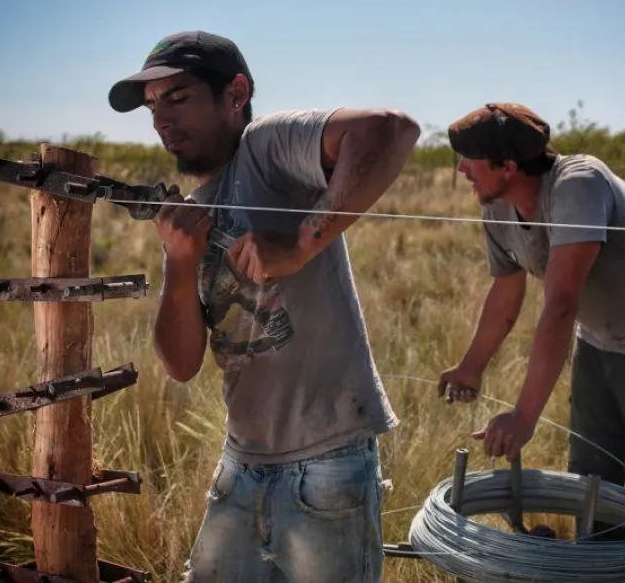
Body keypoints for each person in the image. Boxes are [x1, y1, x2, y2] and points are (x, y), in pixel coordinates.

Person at [108, 30, 421, 582]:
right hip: (242, 461)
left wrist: (302, 244)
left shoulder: (266, 147)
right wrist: (179, 263)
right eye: (152, 106)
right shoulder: (191, 213)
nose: (161, 119)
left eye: (177, 97)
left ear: (235, 93)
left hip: (328, 459)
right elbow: (180, 365)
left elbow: (390, 128)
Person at [436, 103, 625, 581]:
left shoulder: (578, 184)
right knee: (593, 483)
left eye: (470, 158)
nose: (461, 168)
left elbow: (561, 304)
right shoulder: (496, 206)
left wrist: (524, 417)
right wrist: (471, 367)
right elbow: (506, 293)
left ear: (508, 165)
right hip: (599, 338)